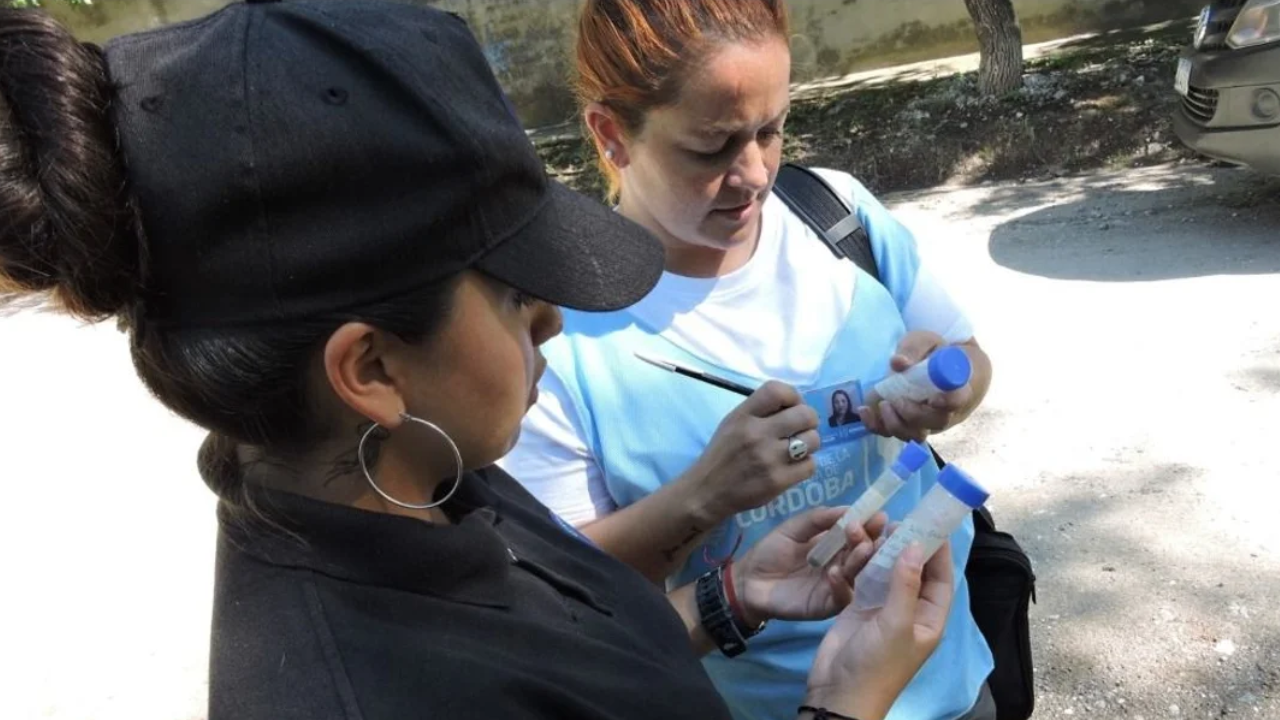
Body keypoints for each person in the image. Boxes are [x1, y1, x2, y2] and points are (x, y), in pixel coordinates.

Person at [0, 2, 955, 719]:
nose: (550, 320)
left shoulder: (420, 476)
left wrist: (730, 597)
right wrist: (841, 703)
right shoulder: (365, 686)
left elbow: (570, 653)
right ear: (371, 369)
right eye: (511, 289)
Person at [501, 1, 997, 719]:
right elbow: (561, 601)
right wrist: (705, 495)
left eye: (772, 129)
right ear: (611, 136)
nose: (756, 173)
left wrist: (952, 392)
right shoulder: (562, 335)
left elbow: (970, 362)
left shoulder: (836, 218)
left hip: (952, 680)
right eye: (712, 147)